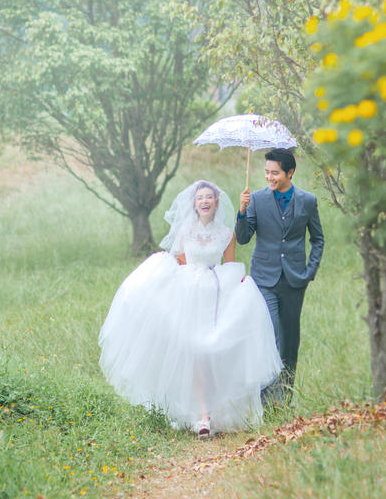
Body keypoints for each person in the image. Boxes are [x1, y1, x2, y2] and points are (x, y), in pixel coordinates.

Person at [99, 180, 282, 439]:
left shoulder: (226, 234)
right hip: (189, 296)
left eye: (209, 197)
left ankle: (221, 408)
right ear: (194, 204)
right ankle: (203, 414)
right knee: (194, 352)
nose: (205, 201)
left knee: (212, 351)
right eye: (200, 198)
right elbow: (181, 262)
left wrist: (240, 284)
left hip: (215, 295)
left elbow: (230, 266)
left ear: (217, 202)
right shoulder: (186, 231)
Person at [235, 148, 324, 405]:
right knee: (270, 336)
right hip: (264, 279)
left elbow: (318, 239)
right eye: (266, 172)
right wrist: (242, 211)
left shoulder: (307, 201)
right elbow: (242, 238)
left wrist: (310, 271)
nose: (269, 177)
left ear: (290, 172)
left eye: (275, 173)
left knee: (289, 341)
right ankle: (264, 400)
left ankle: (283, 399)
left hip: (295, 280)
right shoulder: (257, 199)